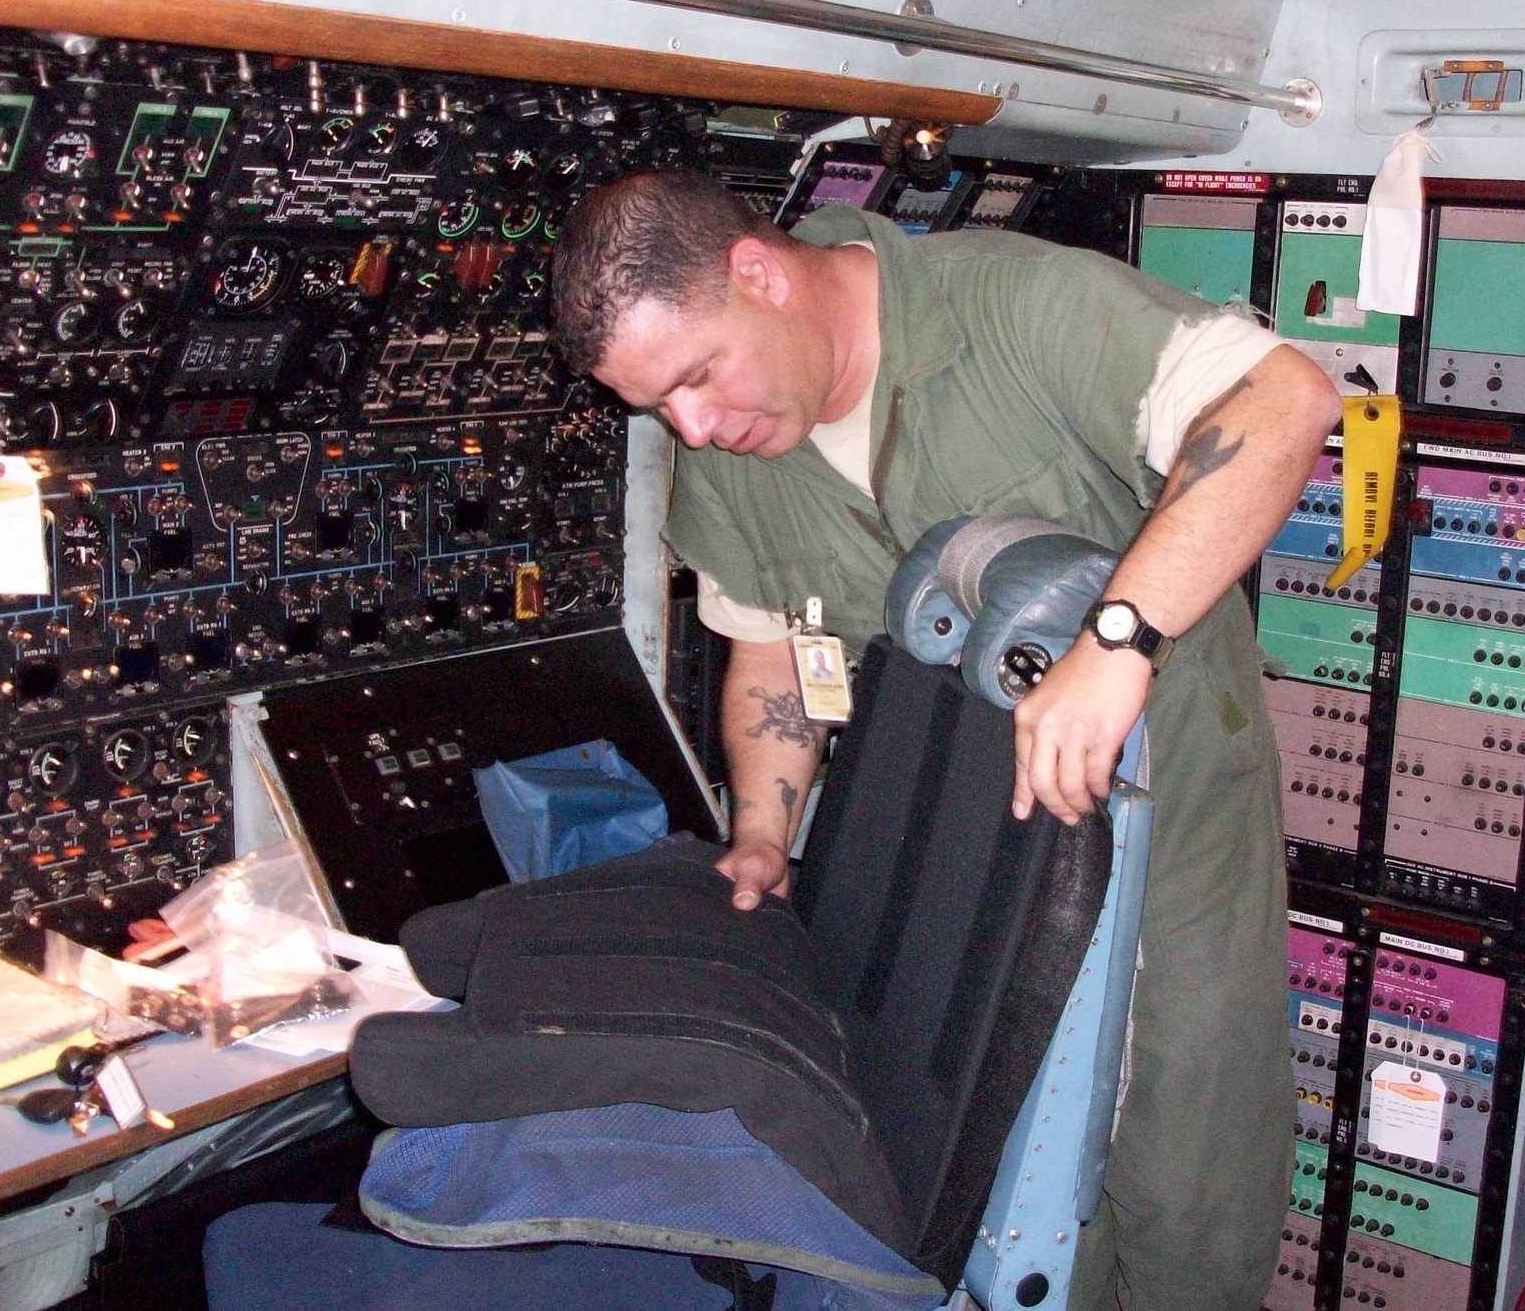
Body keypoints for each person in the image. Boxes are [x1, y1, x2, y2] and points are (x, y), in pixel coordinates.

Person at [553, 167, 1340, 1311]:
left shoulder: (1012, 308)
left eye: (695, 380)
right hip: (942, 830)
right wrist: (764, 831)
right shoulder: (731, 448)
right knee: (978, 1171)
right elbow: (770, 647)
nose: (696, 428)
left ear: (758, 274)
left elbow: (1284, 402)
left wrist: (1115, 643)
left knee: (1179, 1163)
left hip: (1153, 795)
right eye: (658, 411)